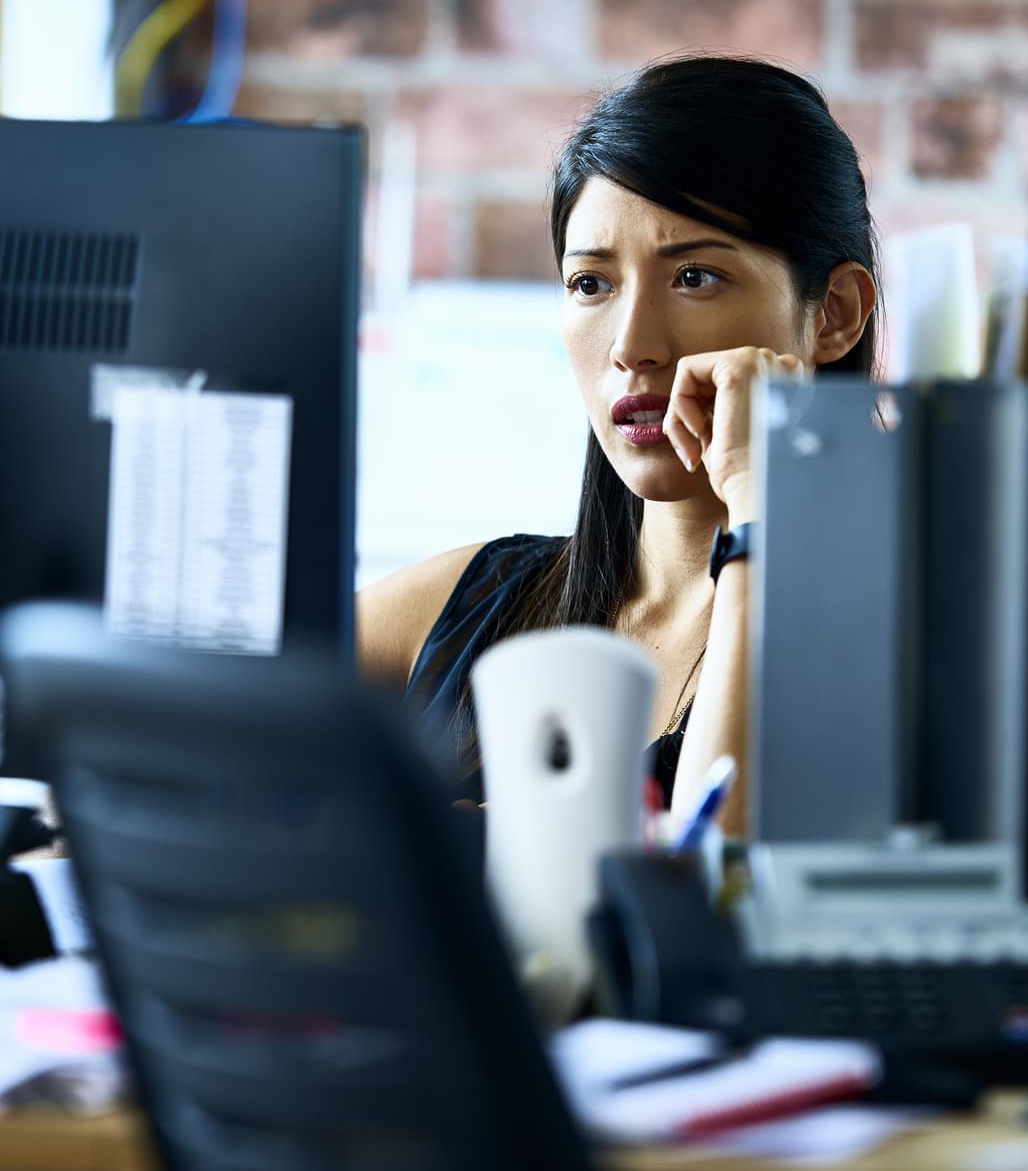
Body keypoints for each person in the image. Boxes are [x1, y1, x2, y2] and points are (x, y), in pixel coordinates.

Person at [357, 57, 881, 837]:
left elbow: (722, 884)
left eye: (696, 276)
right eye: (590, 284)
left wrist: (764, 513)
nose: (631, 347)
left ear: (834, 314)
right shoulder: (463, 606)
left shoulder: (898, 643)